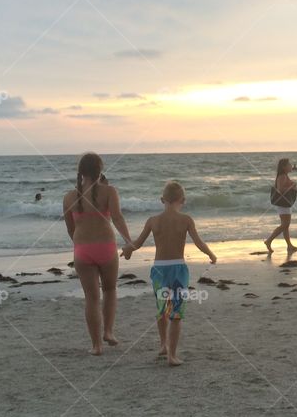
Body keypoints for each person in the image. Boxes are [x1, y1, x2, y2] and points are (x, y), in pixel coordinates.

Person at [122, 181, 216, 366]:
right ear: (183, 200)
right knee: (176, 313)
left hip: (159, 269)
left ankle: (163, 345)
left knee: (162, 308)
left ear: (161, 199)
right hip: (178, 269)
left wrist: (127, 250)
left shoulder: (153, 220)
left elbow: (137, 243)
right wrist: (211, 254)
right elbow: (199, 242)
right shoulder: (186, 220)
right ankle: (172, 355)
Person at [62, 153, 133, 355]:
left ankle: (96, 346)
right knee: (109, 290)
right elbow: (117, 218)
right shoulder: (109, 191)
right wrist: (129, 242)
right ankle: (108, 332)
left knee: (91, 298)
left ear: (80, 172)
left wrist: (80, 247)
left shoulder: (69, 197)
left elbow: (70, 229)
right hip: (106, 247)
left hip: (82, 250)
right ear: (100, 170)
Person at [265, 158, 297, 254]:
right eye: (289, 164)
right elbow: (280, 189)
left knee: (286, 226)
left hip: (285, 202)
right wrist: (292, 185)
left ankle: (289, 245)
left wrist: (292, 185)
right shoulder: (282, 176)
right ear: (284, 167)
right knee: (285, 225)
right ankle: (269, 241)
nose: (291, 166)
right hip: (283, 203)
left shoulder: (284, 175)